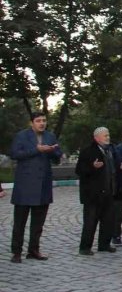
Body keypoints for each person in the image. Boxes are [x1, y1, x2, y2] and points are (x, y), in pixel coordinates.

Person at [9, 112, 63, 262]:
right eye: (38, 121)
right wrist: (36, 150)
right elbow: (14, 154)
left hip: (43, 186)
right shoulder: (22, 136)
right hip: (25, 186)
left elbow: (57, 156)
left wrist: (53, 151)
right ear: (31, 123)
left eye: (44, 120)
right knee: (20, 223)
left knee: (38, 223)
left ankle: (33, 250)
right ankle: (16, 252)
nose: (42, 123)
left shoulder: (50, 136)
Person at [76, 127, 118, 256]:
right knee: (90, 222)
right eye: (105, 135)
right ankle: (85, 247)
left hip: (109, 191)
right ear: (96, 138)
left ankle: (104, 244)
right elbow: (79, 170)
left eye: (108, 135)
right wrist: (92, 167)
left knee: (108, 220)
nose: (108, 137)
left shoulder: (110, 150)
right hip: (93, 194)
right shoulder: (88, 151)